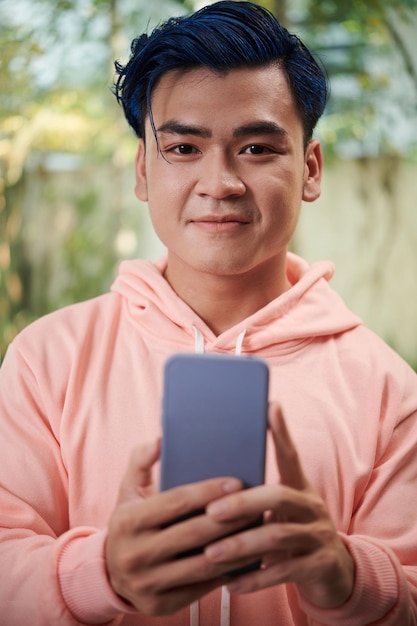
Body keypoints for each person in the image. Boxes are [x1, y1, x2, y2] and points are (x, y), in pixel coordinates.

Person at [1, 1, 417, 624]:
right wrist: (100, 573)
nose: (219, 181)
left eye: (255, 146)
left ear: (309, 167)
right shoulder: (47, 359)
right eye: (184, 148)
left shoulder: (388, 391)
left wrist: (351, 576)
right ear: (144, 169)